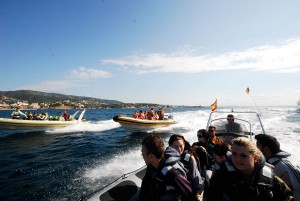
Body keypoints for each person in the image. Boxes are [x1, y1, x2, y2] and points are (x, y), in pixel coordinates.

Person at [206, 137, 294, 201]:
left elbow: (287, 197)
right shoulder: (221, 176)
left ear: (255, 158)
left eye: (243, 155)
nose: (237, 159)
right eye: (234, 154)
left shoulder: (270, 179)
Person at [140, 134, 194, 201]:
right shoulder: (151, 169)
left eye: (143, 152)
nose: (142, 155)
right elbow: (145, 191)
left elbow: (190, 196)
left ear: (151, 157)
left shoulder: (172, 174)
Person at [255, 134, 300, 200]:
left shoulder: (274, 167)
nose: (255, 150)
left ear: (266, 149)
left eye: (257, 146)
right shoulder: (287, 160)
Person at [168, 134, 204, 200]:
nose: (179, 149)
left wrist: (197, 193)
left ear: (184, 144)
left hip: (188, 190)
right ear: (171, 146)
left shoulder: (188, 158)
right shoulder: (167, 159)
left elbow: (195, 176)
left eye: (181, 146)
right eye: (176, 146)